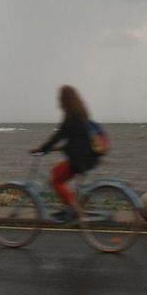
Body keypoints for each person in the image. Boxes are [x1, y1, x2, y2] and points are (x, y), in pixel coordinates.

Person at [30, 85, 99, 222]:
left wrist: (41, 149)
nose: (58, 100)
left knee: (55, 181)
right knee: (55, 171)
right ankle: (68, 207)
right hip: (89, 157)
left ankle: (75, 209)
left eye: (59, 98)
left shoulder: (71, 118)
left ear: (65, 100)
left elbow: (57, 137)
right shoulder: (81, 114)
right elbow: (77, 140)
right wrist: (56, 148)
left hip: (79, 160)